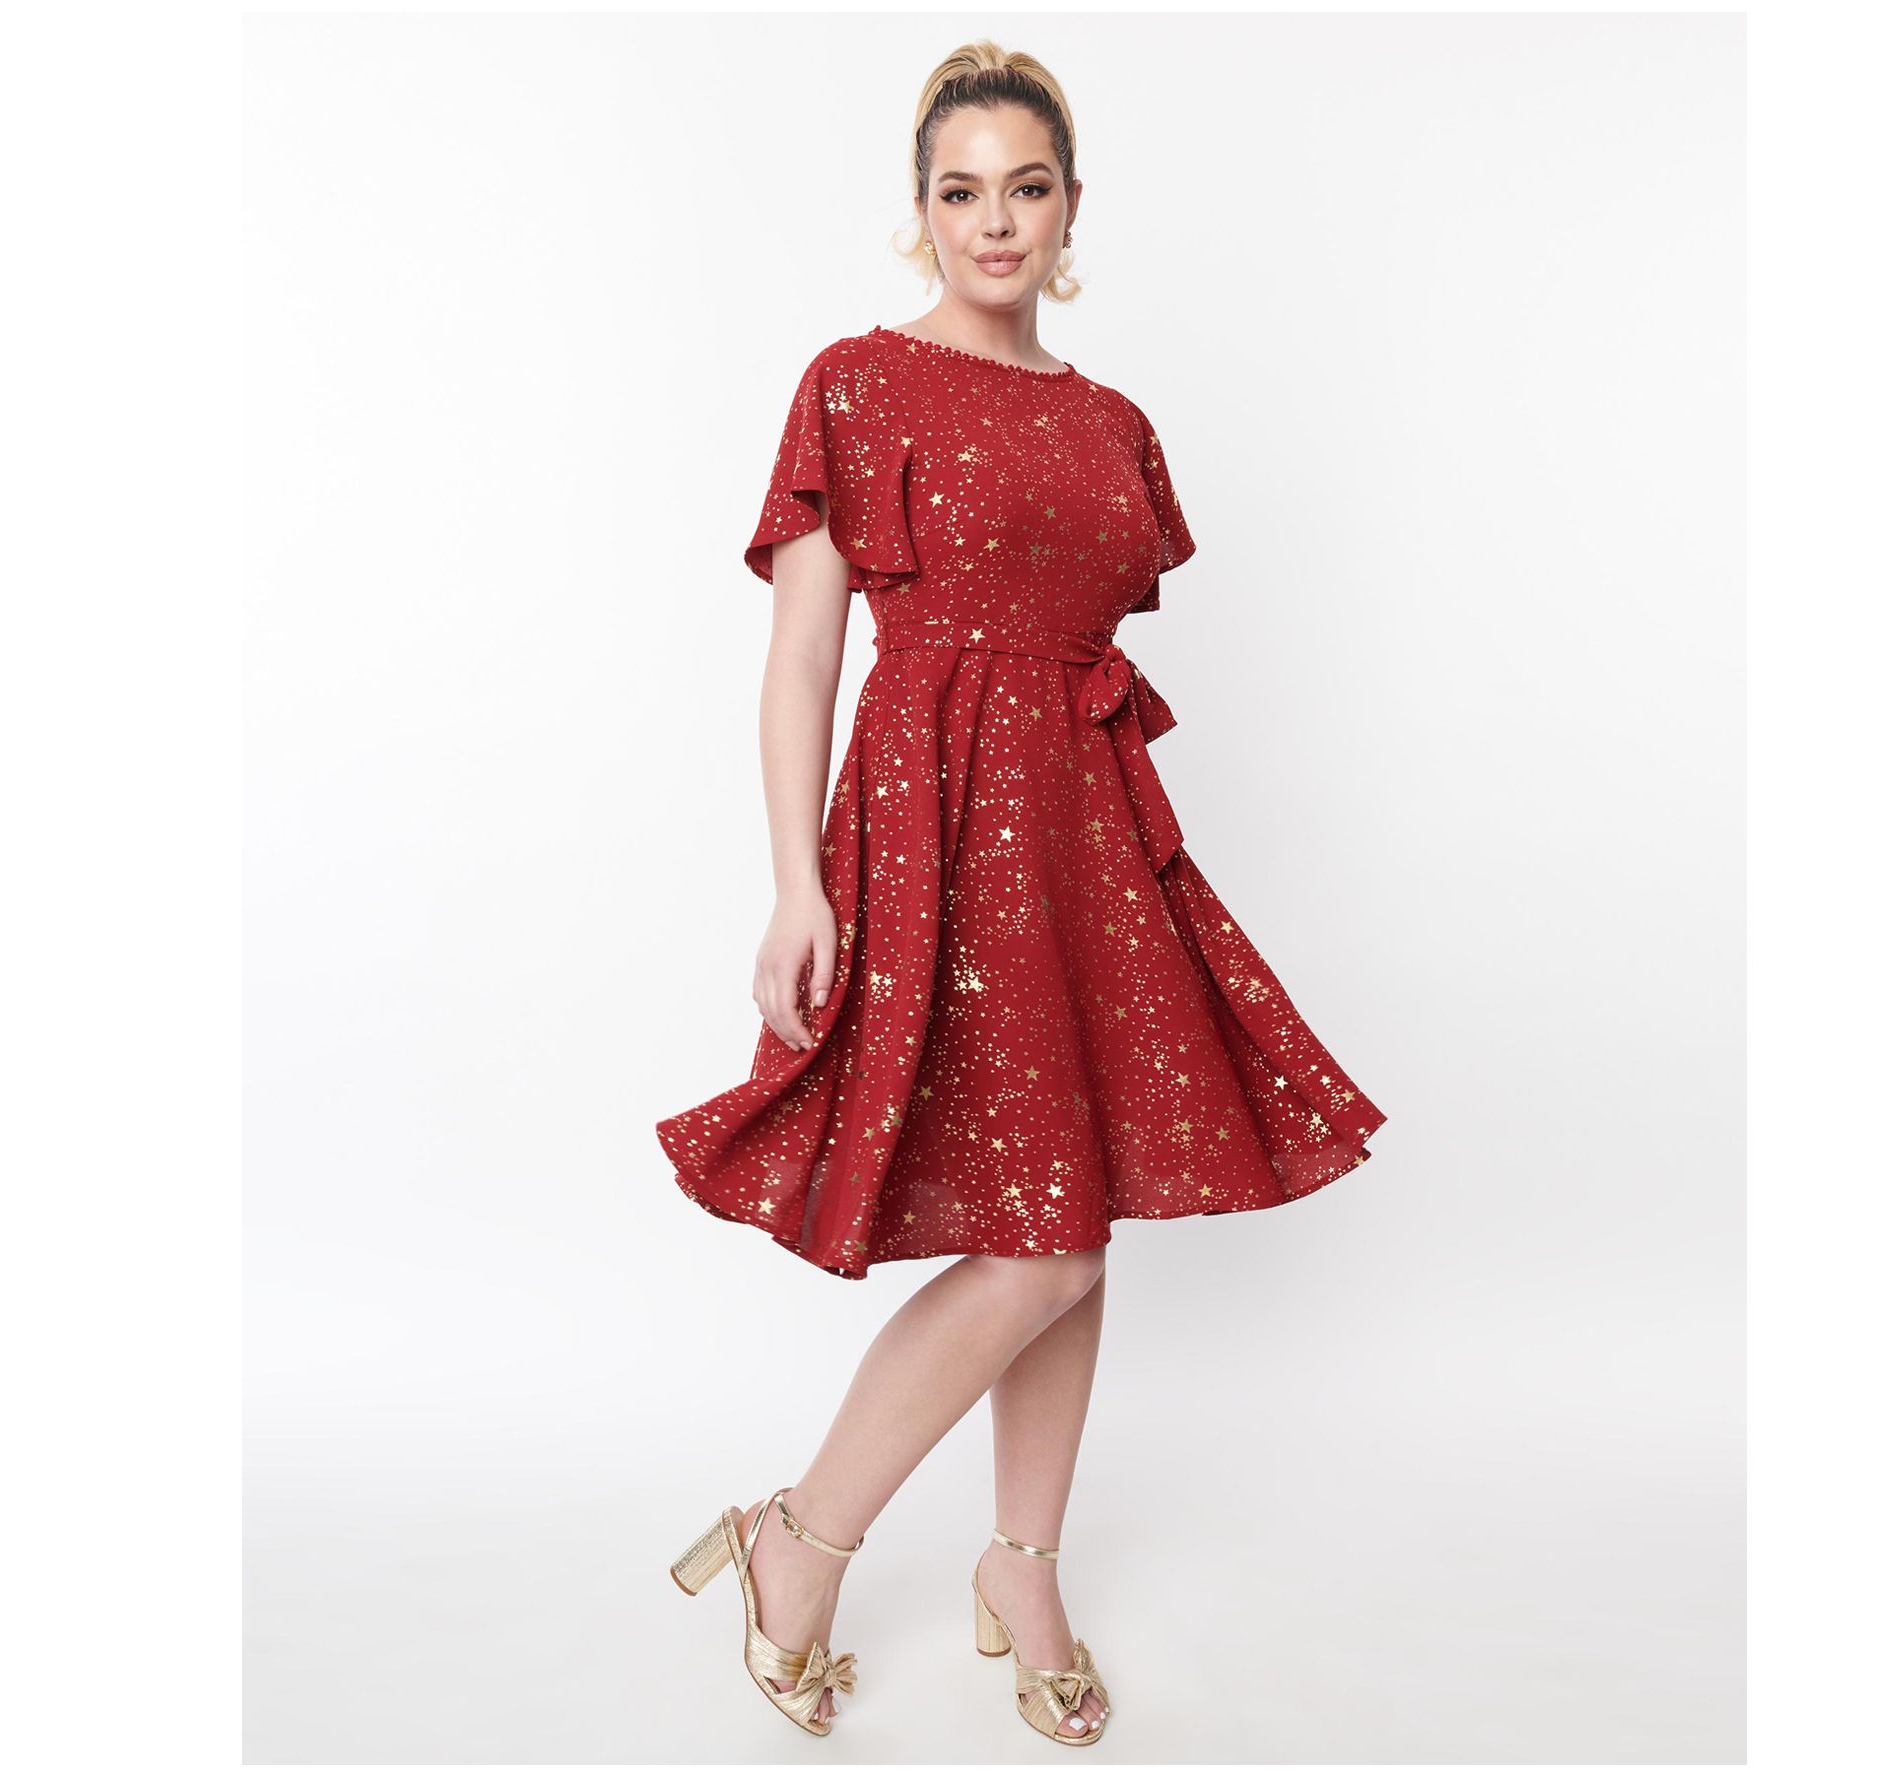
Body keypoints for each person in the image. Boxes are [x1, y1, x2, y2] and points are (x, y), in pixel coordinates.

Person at [655, 40, 1386, 1747]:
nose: (995, 220)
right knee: (1040, 1236)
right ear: (920, 213)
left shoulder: (1111, 423)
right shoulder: (857, 381)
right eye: (961, 190)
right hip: (932, 821)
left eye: (1027, 188)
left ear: (1069, 211)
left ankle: (1022, 1563)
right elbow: (802, 656)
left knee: (1074, 1208)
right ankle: (799, 1536)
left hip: (1084, 829)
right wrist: (793, 883)